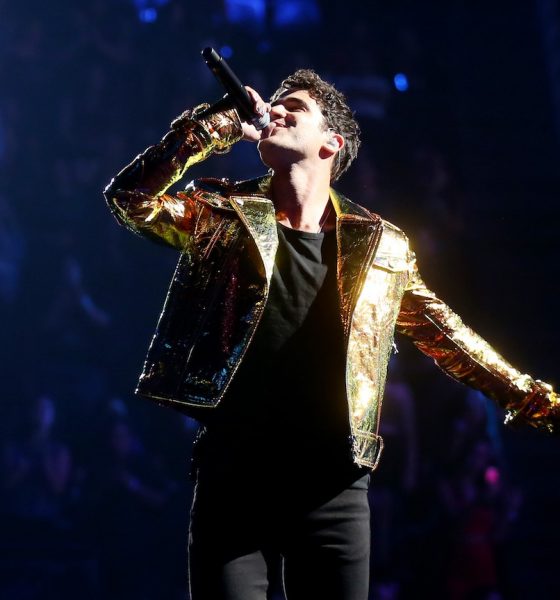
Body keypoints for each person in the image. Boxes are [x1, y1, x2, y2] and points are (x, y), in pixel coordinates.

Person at [104, 69, 558, 599]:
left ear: (330, 143)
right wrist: (217, 127)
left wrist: (536, 400)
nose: (276, 111)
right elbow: (130, 198)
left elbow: (446, 334)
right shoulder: (222, 214)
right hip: (236, 473)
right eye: (273, 103)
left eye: (294, 107)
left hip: (332, 482)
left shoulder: (380, 246)